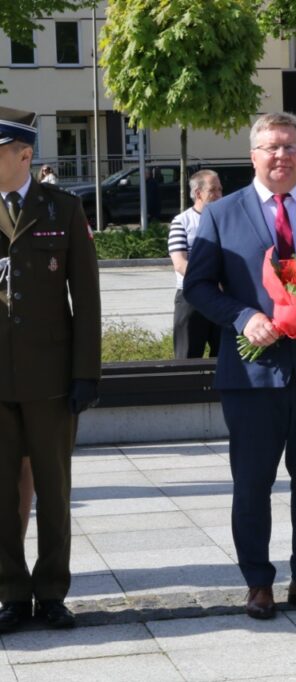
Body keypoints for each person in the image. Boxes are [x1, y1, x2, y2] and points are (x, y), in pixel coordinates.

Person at [184, 112, 296, 620]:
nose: (281, 155)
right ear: (253, 155)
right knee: (252, 483)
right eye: (271, 147)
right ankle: (258, 583)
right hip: (251, 375)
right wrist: (243, 317)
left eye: (291, 146)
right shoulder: (222, 214)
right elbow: (197, 286)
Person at [0, 107, 102, 633]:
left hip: (50, 379)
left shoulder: (62, 208)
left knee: (55, 492)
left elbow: (86, 298)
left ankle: (52, 592)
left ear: (24, 155)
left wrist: (86, 373)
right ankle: (11, 593)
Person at [168, 170, 223, 359]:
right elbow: (180, 263)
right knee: (187, 359)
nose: (219, 195)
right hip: (191, 297)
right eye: (213, 190)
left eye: (220, 189)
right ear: (198, 193)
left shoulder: (227, 220)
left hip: (222, 298)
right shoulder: (181, 222)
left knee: (224, 358)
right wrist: (208, 282)